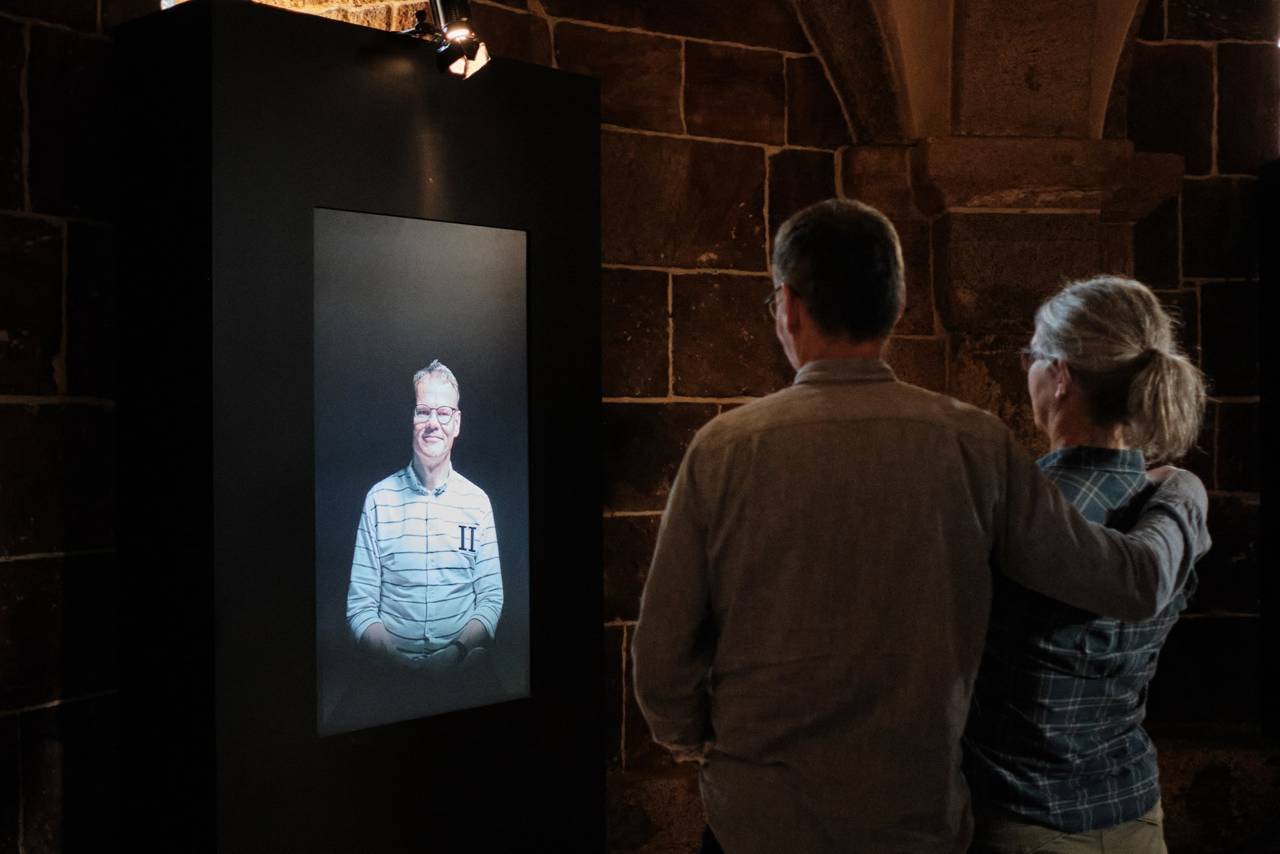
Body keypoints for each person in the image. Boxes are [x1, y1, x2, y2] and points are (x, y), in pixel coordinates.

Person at [630, 199, 1211, 854]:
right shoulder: (975, 444)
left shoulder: (722, 449)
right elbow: (1124, 580)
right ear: (899, 308)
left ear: (787, 307)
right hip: (915, 818)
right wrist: (1183, 490)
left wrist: (694, 737)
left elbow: (663, 657)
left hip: (761, 816)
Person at [964, 276, 1207, 853]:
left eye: (1032, 355)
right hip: (1135, 815)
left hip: (1025, 820)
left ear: (1060, 376)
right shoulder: (1168, 507)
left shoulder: (1012, 510)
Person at [346, 359, 502, 701]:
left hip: (462, 672)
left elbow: (491, 599)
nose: (433, 423)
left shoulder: (478, 503)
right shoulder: (379, 499)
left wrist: (455, 654)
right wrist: (396, 661)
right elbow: (360, 606)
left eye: (443, 413)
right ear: (412, 419)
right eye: (423, 411)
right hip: (387, 677)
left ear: (456, 423)